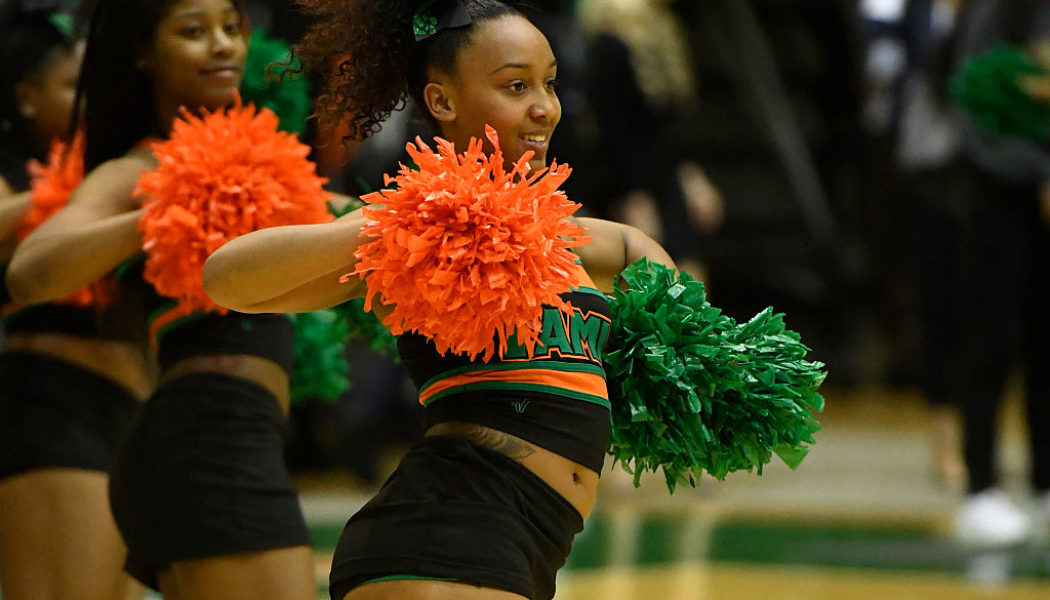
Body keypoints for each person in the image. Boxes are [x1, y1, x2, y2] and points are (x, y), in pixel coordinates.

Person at [202, 1, 676, 599]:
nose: (544, 107)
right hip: (448, 541)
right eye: (515, 85)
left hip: (529, 544)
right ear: (442, 102)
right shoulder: (418, 234)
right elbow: (225, 277)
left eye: (550, 84)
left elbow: (637, 249)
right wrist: (393, 219)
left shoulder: (565, 234)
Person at [6, 0, 316, 597]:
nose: (223, 46)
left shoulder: (262, 159)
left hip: (231, 432)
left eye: (231, 27)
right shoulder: (141, 165)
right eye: (193, 33)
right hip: (209, 434)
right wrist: (160, 214)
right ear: (144, 52)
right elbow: (31, 271)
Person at [0, 3, 148, 600]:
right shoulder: (13, 171)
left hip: (135, 416)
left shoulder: (121, 169)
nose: (91, 100)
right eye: (72, 86)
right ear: (27, 97)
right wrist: (62, 198)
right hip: (54, 408)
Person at [947, 0, 1050, 545]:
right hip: (1000, 195)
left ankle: (1046, 484)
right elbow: (974, 99)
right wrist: (1037, 174)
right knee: (994, 336)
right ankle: (981, 486)